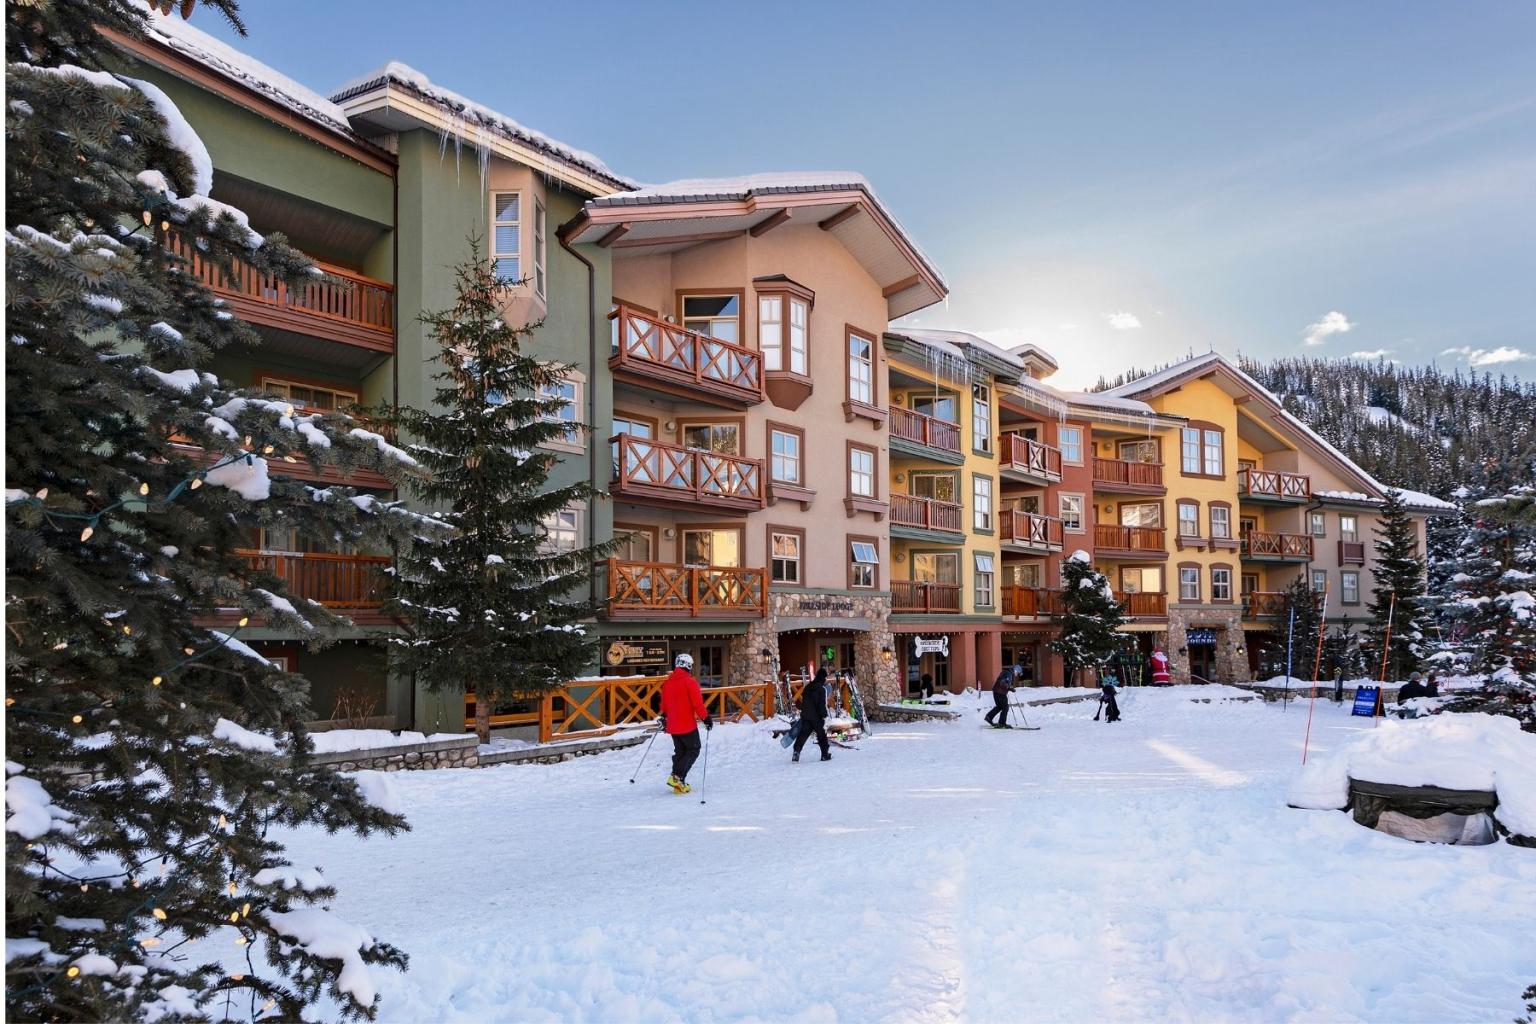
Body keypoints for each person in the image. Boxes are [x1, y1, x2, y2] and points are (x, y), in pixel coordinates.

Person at [660, 653, 712, 793]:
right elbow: (697, 704)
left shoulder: (668, 682)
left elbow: (664, 704)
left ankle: (679, 782)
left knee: (681, 751)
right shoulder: (689, 682)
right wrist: (706, 718)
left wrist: (664, 716)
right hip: (686, 724)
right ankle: (676, 776)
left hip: (673, 725)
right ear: (688, 666)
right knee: (693, 749)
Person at [792, 668, 832, 762]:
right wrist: (824, 716)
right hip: (817, 717)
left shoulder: (808, 687)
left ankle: (796, 753)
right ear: (823, 678)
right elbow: (821, 705)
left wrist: (804, 713)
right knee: (821, 736)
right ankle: (824, 754)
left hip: (806, 715)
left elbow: (804, 701)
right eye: (825, 678)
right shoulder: (821, 689)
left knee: (803, 735)